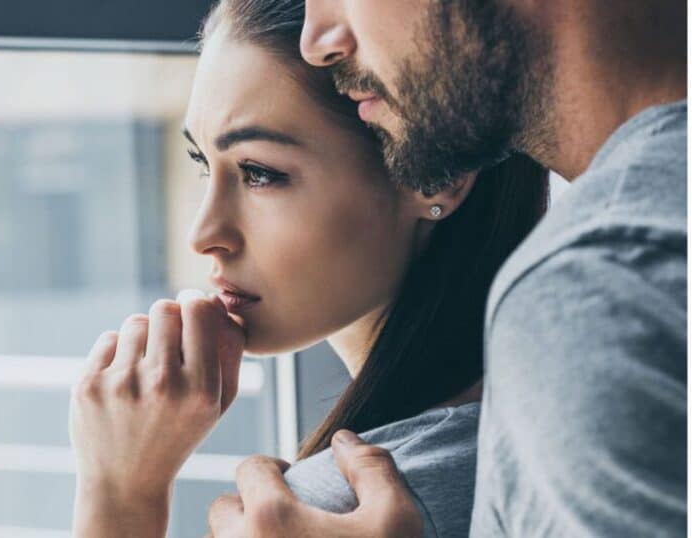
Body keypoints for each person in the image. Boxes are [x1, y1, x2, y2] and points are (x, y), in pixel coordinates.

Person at [67, 0, 548, 536]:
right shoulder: (538, 424)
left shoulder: (337, 511)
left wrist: (119, 493)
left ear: (437, 176)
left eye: (259, 173)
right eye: (204, 163)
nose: (203, 235)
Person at [207, 0, 687, 536]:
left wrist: (132, 495)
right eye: (201, 163)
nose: (317, 39)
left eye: (260, 172)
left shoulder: (600, 290)